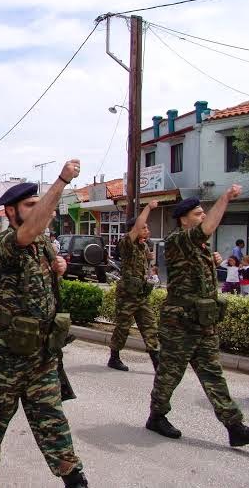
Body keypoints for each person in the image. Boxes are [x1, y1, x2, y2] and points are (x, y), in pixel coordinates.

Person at [0, 161, 88, 488]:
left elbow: (42, 274)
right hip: (4, 356)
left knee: (53, 422)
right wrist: (62, 180)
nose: (38, 210)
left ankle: (74, 478)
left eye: (38, 204)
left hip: (40, 357)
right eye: (30, 205)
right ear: (11, 212)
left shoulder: (43, 245)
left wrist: (58, 267)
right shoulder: (4, 243)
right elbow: (27, 233)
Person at [147, 187, 249, 448]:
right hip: (179, 324)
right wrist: (224, 198)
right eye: (198, 213)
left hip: (203, 323)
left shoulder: (200, 246)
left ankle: (234, 426)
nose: (203, 217)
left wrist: (212, 261)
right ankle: (157, 417)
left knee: (213, 374)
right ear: (183, 219)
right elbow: (205, 231)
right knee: (170, 374)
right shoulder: (176, 240)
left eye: (204, 212)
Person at [107, 201, 160, 372]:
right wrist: (148, 208)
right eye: (143, 228)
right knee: (123, 327)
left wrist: (149, 260)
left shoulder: (144, 246)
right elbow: (136, 228)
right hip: (127, 295)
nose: (147, 230)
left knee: (150, 326)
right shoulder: (126, 243)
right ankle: (114, 358)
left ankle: (157, 361)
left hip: (141, 294)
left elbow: (144, 268)